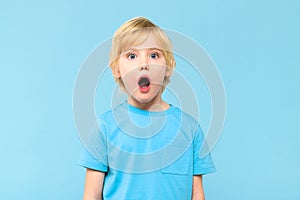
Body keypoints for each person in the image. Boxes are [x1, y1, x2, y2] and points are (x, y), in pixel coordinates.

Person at [79, 16, 216, 200]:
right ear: (116, 69)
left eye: (154, 55)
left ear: (168, 67)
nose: (144, 64)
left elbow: (197, 194)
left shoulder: (190, 129)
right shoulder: (105, 127)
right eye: (132, 56)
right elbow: (91, 196)